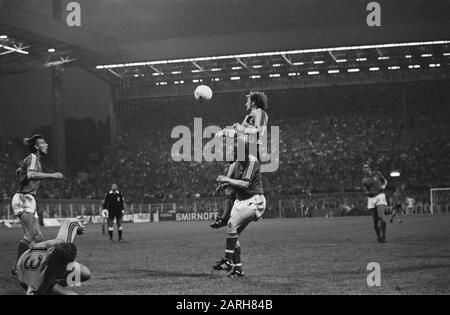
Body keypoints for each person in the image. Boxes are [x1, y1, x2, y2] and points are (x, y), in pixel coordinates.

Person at [211, 91, 269, 229]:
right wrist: (225, 132)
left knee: (236, 183)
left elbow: (259, 131)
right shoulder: (249, 116)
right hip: (241, 151)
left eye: (248, 100)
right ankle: (225, 218)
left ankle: (226, 218)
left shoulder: (260, 113)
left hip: (251, 150)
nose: (246, 103)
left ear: (254, 102)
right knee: (230, 186)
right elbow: (240, 133)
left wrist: (241, 128)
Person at [212, 138, 266, 278]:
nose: (233, 152)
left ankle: (227, 261)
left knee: (231, 224)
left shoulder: (251, 161)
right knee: (233, 236)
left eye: (235, 151)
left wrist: (226, 179)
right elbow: (237, 183)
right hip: (240, 202)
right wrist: (227, 185)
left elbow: (245, 184)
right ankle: (238, 271)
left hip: (254, 201)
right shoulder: (238, 163)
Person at [11, 135, 64, 275]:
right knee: (30, 235)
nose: (46, 145)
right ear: (36, 147)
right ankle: (18, 267)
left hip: (29, 199)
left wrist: (20, 170)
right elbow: (31, 175)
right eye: (43, 143)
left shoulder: (33, 159)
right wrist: (52, 176)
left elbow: (21, 172)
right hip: (24, 198)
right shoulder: (33, 157)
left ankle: (33, 266)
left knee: (39, 237)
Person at [16, 219, 90, 295]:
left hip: (32, 260)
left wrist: (79, 227)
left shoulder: (61, 244)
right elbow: (31, 291)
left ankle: (54, 284)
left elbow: (69, 222)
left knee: (85, 273)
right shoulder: (37, 279)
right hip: (25, 279)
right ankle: (50, 287)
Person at [361, 162, 388, 243]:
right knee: (375, 221)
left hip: (380, 196)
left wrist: (383, 186)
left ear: (369, 168)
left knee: (381, 217)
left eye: (366, 167)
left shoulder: (377, 173)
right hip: (372, 199)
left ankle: (384, 236)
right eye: (364, 168)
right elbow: (365, 191)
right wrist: (368, 193)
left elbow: (385, 181)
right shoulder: (364, 180)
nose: (365, 169)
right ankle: (379, 237)